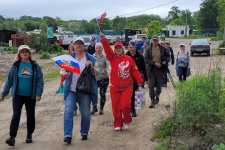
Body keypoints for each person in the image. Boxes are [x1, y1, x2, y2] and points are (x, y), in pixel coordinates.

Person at [0, 45, 44, 146]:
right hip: (17, 95)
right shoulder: (15, 65)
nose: (24, 53)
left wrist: (38, 93)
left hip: (30, 95)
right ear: (19, 54)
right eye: (22, 51)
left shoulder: (35, 65)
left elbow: (40, 81)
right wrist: (3, 94)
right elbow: (9, 81)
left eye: (26, 51)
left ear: (29, 53)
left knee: (30, 114)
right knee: (16, 114)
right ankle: (12, 137)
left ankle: (29, 135)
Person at [100, 32, 144, 131]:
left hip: (127, 87)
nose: (118, 50)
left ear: (123, 49)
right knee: (116, 107)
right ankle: (118, 123)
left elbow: (135, 71)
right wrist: (103, 39)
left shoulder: (129, 59)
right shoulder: (112, 57)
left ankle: (127, 120)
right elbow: (107, 49)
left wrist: (140, 80)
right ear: (114, 50)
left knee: (125, 106)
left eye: (120, 48)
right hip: (115, 87)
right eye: (116, 48)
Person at [61, 37, 98, 144]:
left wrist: (91, 66)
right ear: (73, 46)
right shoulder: (69, 58)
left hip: (85, 91)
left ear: (84, 45)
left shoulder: (90, 58)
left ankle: (84, 132)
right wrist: (63, 74)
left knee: (85, 113)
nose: (78, 45)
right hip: (71, 90)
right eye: (76, 43)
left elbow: (97, 73)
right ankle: (67, 135)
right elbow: (62, 69)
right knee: (68, 111)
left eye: (80, 43)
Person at [144, 35, 170, 108]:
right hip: (151, 69)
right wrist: (154, 63)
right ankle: (152, 100)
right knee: (151, 85)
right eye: (154, 40)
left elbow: (168, 56)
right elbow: (146, 59)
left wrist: (165, 61)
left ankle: (157, 95)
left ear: (158, 41)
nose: (155, 41)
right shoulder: (148, 49)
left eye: (156, 40)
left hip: (160, 69)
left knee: (159, 85)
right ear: (151, 41)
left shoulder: (162, 48)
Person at [126, 40, 148, 117]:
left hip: (135, 78)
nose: (131, 49)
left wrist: (146, 78)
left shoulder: (140, 56)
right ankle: (128, 108)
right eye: (129, 47)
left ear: (135, 47)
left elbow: (143, 68)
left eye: (132, 47)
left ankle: (133, 109)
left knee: (133, 93)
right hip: (126, 78)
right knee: (127, 94)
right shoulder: (126, 55)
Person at [60, 43, 79, 116]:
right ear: (69, 51)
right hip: (69, 83)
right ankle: (74, 108)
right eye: (72, 50)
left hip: (79, 83)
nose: (73, 51)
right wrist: (62, 80)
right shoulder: (67, 60)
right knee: (70, 98)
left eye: (74, 50)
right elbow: (63, 70)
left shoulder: (80, 58)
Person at [93, 43, 110, 115]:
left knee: (102, 93)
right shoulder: (92, 56)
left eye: (99, 48)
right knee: (93, 93)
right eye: (97, 48)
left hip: (103, 77)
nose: (98, 49)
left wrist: (108, 71)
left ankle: (101, 108)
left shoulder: (105, 57)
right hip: (94, 78)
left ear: (102, 49)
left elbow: (108, 64)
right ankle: (94, 107)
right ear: (95, 49)